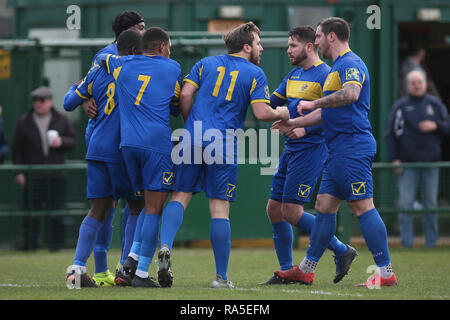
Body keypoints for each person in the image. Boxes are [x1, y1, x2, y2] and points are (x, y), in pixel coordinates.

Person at [155, 21, 290, 289]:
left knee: (179, 196)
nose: (261, 48)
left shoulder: (204, 63)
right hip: (223, 142)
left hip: (191, 136)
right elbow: (263, 114)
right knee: (219, 209)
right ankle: (221, 278)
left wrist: (191, 123)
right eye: (258, 43)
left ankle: (166, 247)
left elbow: (186, 94)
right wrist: (283, 113)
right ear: (246, 46)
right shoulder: (254, 73)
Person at [272, 17, 397, 287]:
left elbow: (351, 94)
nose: (315, 42)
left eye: (318, 36)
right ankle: (306, 268)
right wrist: (293, 122)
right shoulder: (336, 68)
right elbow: (324, 112)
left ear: (331, 36)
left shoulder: (350, 63)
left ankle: (386, 273)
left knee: (363, 207)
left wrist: (313, 102)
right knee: (323, 207)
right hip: (336, 149)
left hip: (352, 147)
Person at [260, 26, 357, 286]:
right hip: (291, 151)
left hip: (312, 150)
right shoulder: (293, 75)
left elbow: (332, 114)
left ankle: (341, 249)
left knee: (291, 211)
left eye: (292, 45)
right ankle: (286, 270)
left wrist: (303, 127)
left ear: (309, 46)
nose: (288, 50)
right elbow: (271, 104)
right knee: (274, 210)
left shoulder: (326, 74)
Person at [97, 27, 182, 288]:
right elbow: (176, 107)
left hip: (128, 145)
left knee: (146, 204)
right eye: (168, 47)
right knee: (155, 207)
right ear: (160, 47)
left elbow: (101, 57)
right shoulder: (172, 68)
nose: (170, 52)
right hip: (156, 145)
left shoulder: (120, 64)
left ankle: (132, 257)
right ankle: (142, 272)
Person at [64, 30, 145, 288]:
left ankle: (77, 269)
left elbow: (69, 101)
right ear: (133, 50)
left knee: (98, 209)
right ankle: (125, 271)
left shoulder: (97, 72)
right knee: (138, 205)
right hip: (122, 150)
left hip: (96, 148)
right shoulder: (136, 71)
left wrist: (87, 97)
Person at [386, 69, 450, 248]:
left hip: (431, 164)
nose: (416, 85)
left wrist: (435, 125)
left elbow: (447, 125)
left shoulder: (435, 104)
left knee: (430, 205)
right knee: (405, 205)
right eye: (413, 82)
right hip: (407, 165)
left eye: (419, 81)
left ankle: (432, 243)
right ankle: (407, 243)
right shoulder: (400, 106)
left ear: (424, 83)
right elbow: (390, 134)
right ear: (408, 85)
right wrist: (394, 159)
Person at [12, 86, 78, 251]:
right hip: (33, 176)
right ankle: (30, 246)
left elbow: (73, 141)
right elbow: (17, 149)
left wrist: (61, 142)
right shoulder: (24, 121)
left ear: (49, 101)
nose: (38, 103)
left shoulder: (62, 119)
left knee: (56, 213)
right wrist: (19, 172)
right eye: (35, 100)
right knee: (31, 214)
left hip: (56, 175)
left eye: (41, 100)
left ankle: (55, 246)